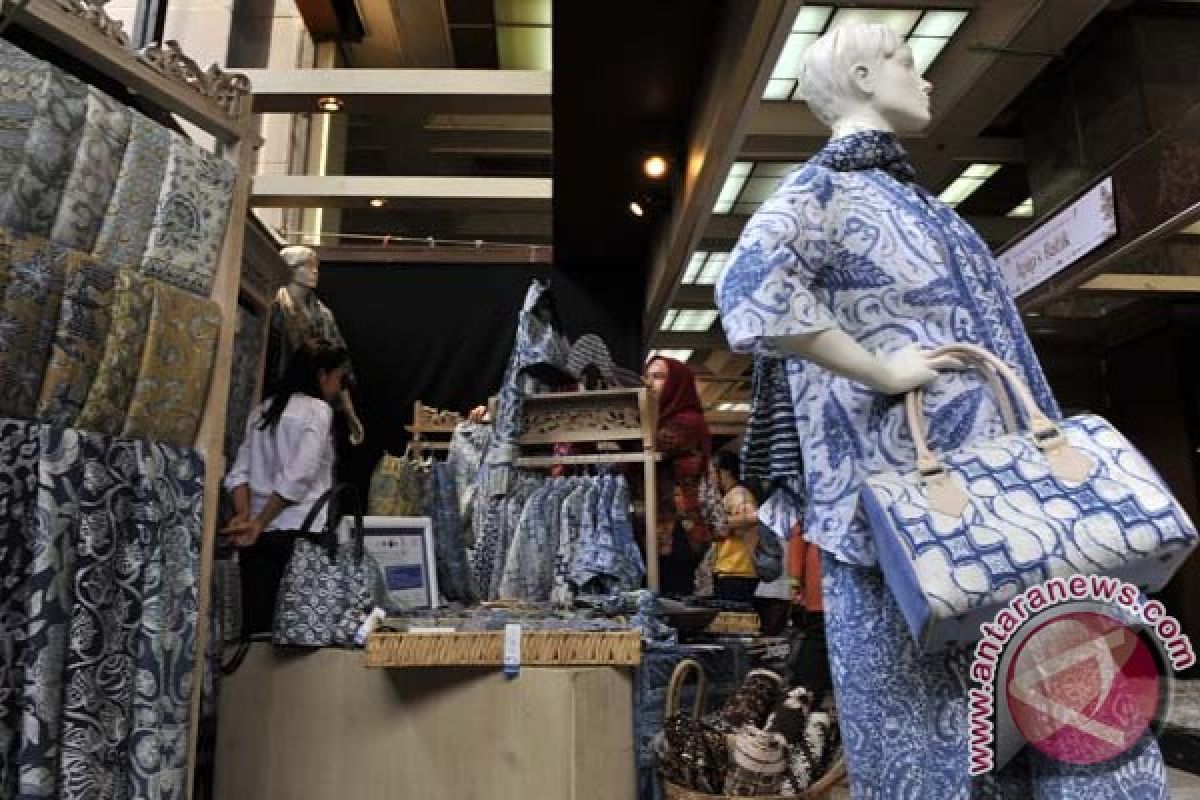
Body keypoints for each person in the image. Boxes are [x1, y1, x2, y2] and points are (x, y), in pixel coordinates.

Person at [716, 22, 1166, 797]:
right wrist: (879, 367)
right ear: (860, 75)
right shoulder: (824, 191)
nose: (922, 79)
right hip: (908, 525)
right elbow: (749, 295)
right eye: (904, 60)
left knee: (1060, 708)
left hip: (1005, 511)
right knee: (927, 735)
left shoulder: (920, 206)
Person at [222, 344, 351, 636]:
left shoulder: (261, 411)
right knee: (300, 627)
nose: (340, 387)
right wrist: (259, 522)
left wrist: (245, 516)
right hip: (301, 532)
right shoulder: (318, 411)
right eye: (339, 378)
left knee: (257, 629)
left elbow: (238, 474)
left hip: (258, 538)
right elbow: (299, 475)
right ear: (322, 375)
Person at [643, 356, 714, 597]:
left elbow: (655, 445)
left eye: (659, 377)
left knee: (672, 603)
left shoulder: (687, 421)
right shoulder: (656, 421)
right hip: (657, 527)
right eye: (648, 377)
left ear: (677, 383)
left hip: (678, 528)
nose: (650, 384)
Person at [711, 450, 759, 603]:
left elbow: (752, 517)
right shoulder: (731, 494)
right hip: (731, 569)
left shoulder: (738, 494)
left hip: (737, 570)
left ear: (724, 472)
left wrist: (721, 523)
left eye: (712, 471)